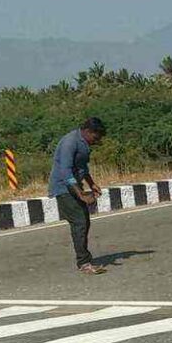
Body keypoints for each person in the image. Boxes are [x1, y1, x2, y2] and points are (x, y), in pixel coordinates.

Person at [50, 117, 106, 274]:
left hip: (74, 186)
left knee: (84, 221)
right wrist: (81, 194)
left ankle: (84, 258)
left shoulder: (83, 142)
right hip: (63, 188)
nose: (97, 141)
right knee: (80, 222)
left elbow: (82, 166)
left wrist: (91, 183)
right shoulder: (70, 142)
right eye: (96, 137)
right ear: (88, 131)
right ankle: (84, 263)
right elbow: (65, 171)